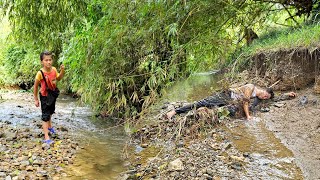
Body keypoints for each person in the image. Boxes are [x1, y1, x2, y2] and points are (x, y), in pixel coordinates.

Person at [166, 83, 296, 120]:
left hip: (229, 102)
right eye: (265, 95)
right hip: (225, 96)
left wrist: (286, 95)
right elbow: (245, 103)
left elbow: (273, 99)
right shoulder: (251, 88)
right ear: (263, 90)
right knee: (202, 103)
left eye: (266, 98)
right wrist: (249, 116)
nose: (264, 97)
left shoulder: (258, 97)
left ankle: (200, 115)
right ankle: (174, 112)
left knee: (215, 112)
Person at [33, 51, 65, 144]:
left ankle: (50, 127)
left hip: (52, 94)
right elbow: (35, 86)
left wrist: (62, 71)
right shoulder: (40, 73)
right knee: (45, 116)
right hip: (44, 96)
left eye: (50, 60)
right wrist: (36, 99)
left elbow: (58, 78)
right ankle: (46, 137)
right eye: (46, 60)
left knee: (51, 111)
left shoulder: (54, 69)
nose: (48, 62)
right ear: (42, 62)